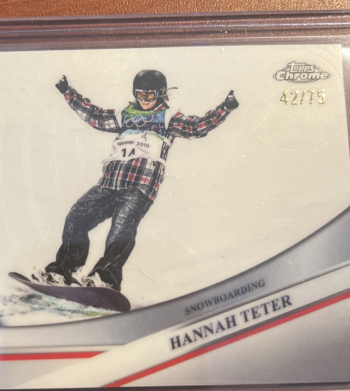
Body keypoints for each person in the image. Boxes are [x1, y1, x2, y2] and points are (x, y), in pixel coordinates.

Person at [35, 70, 239, 292]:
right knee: (77, 217)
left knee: (121, 228)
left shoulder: (170, 118)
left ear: (161, 94)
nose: (144, 99)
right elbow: (95, 116)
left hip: (140, 185)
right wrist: (68, 92)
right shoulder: (125, 115)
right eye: (139, 94)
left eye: (149, 95)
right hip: (110, 183)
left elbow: (196, 126)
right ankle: (63, 270)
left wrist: (225, 108)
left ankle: (106, 277)